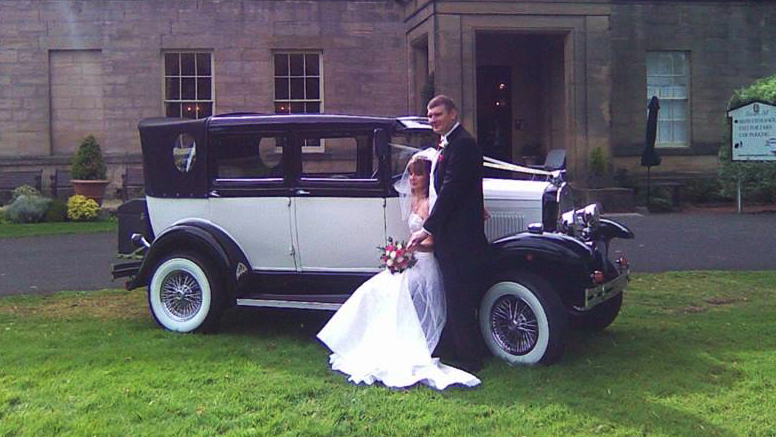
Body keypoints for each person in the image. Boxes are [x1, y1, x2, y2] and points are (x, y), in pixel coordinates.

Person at [317, 151, 480, 390]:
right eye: (411, 174)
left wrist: (408, 248)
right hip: (412, 261)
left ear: (429, 177)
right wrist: (401, 254)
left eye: (418, 174)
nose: (412, 179)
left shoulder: (431, 204)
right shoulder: (414, 201)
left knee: (391, 291)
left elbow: (436, 240)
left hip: (426, 264)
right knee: (372, 289)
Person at [408, 95, 490, 373]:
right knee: (455, 294)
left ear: (453, 114)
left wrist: (427, 228)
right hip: (453, 232)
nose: (433, 120)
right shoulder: (450, 144)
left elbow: (452, 189)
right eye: (430, 115)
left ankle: (469, 358)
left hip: (459, 236)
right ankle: (463, 347)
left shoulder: (463, 144)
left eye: (438, 114)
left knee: (459, 295)